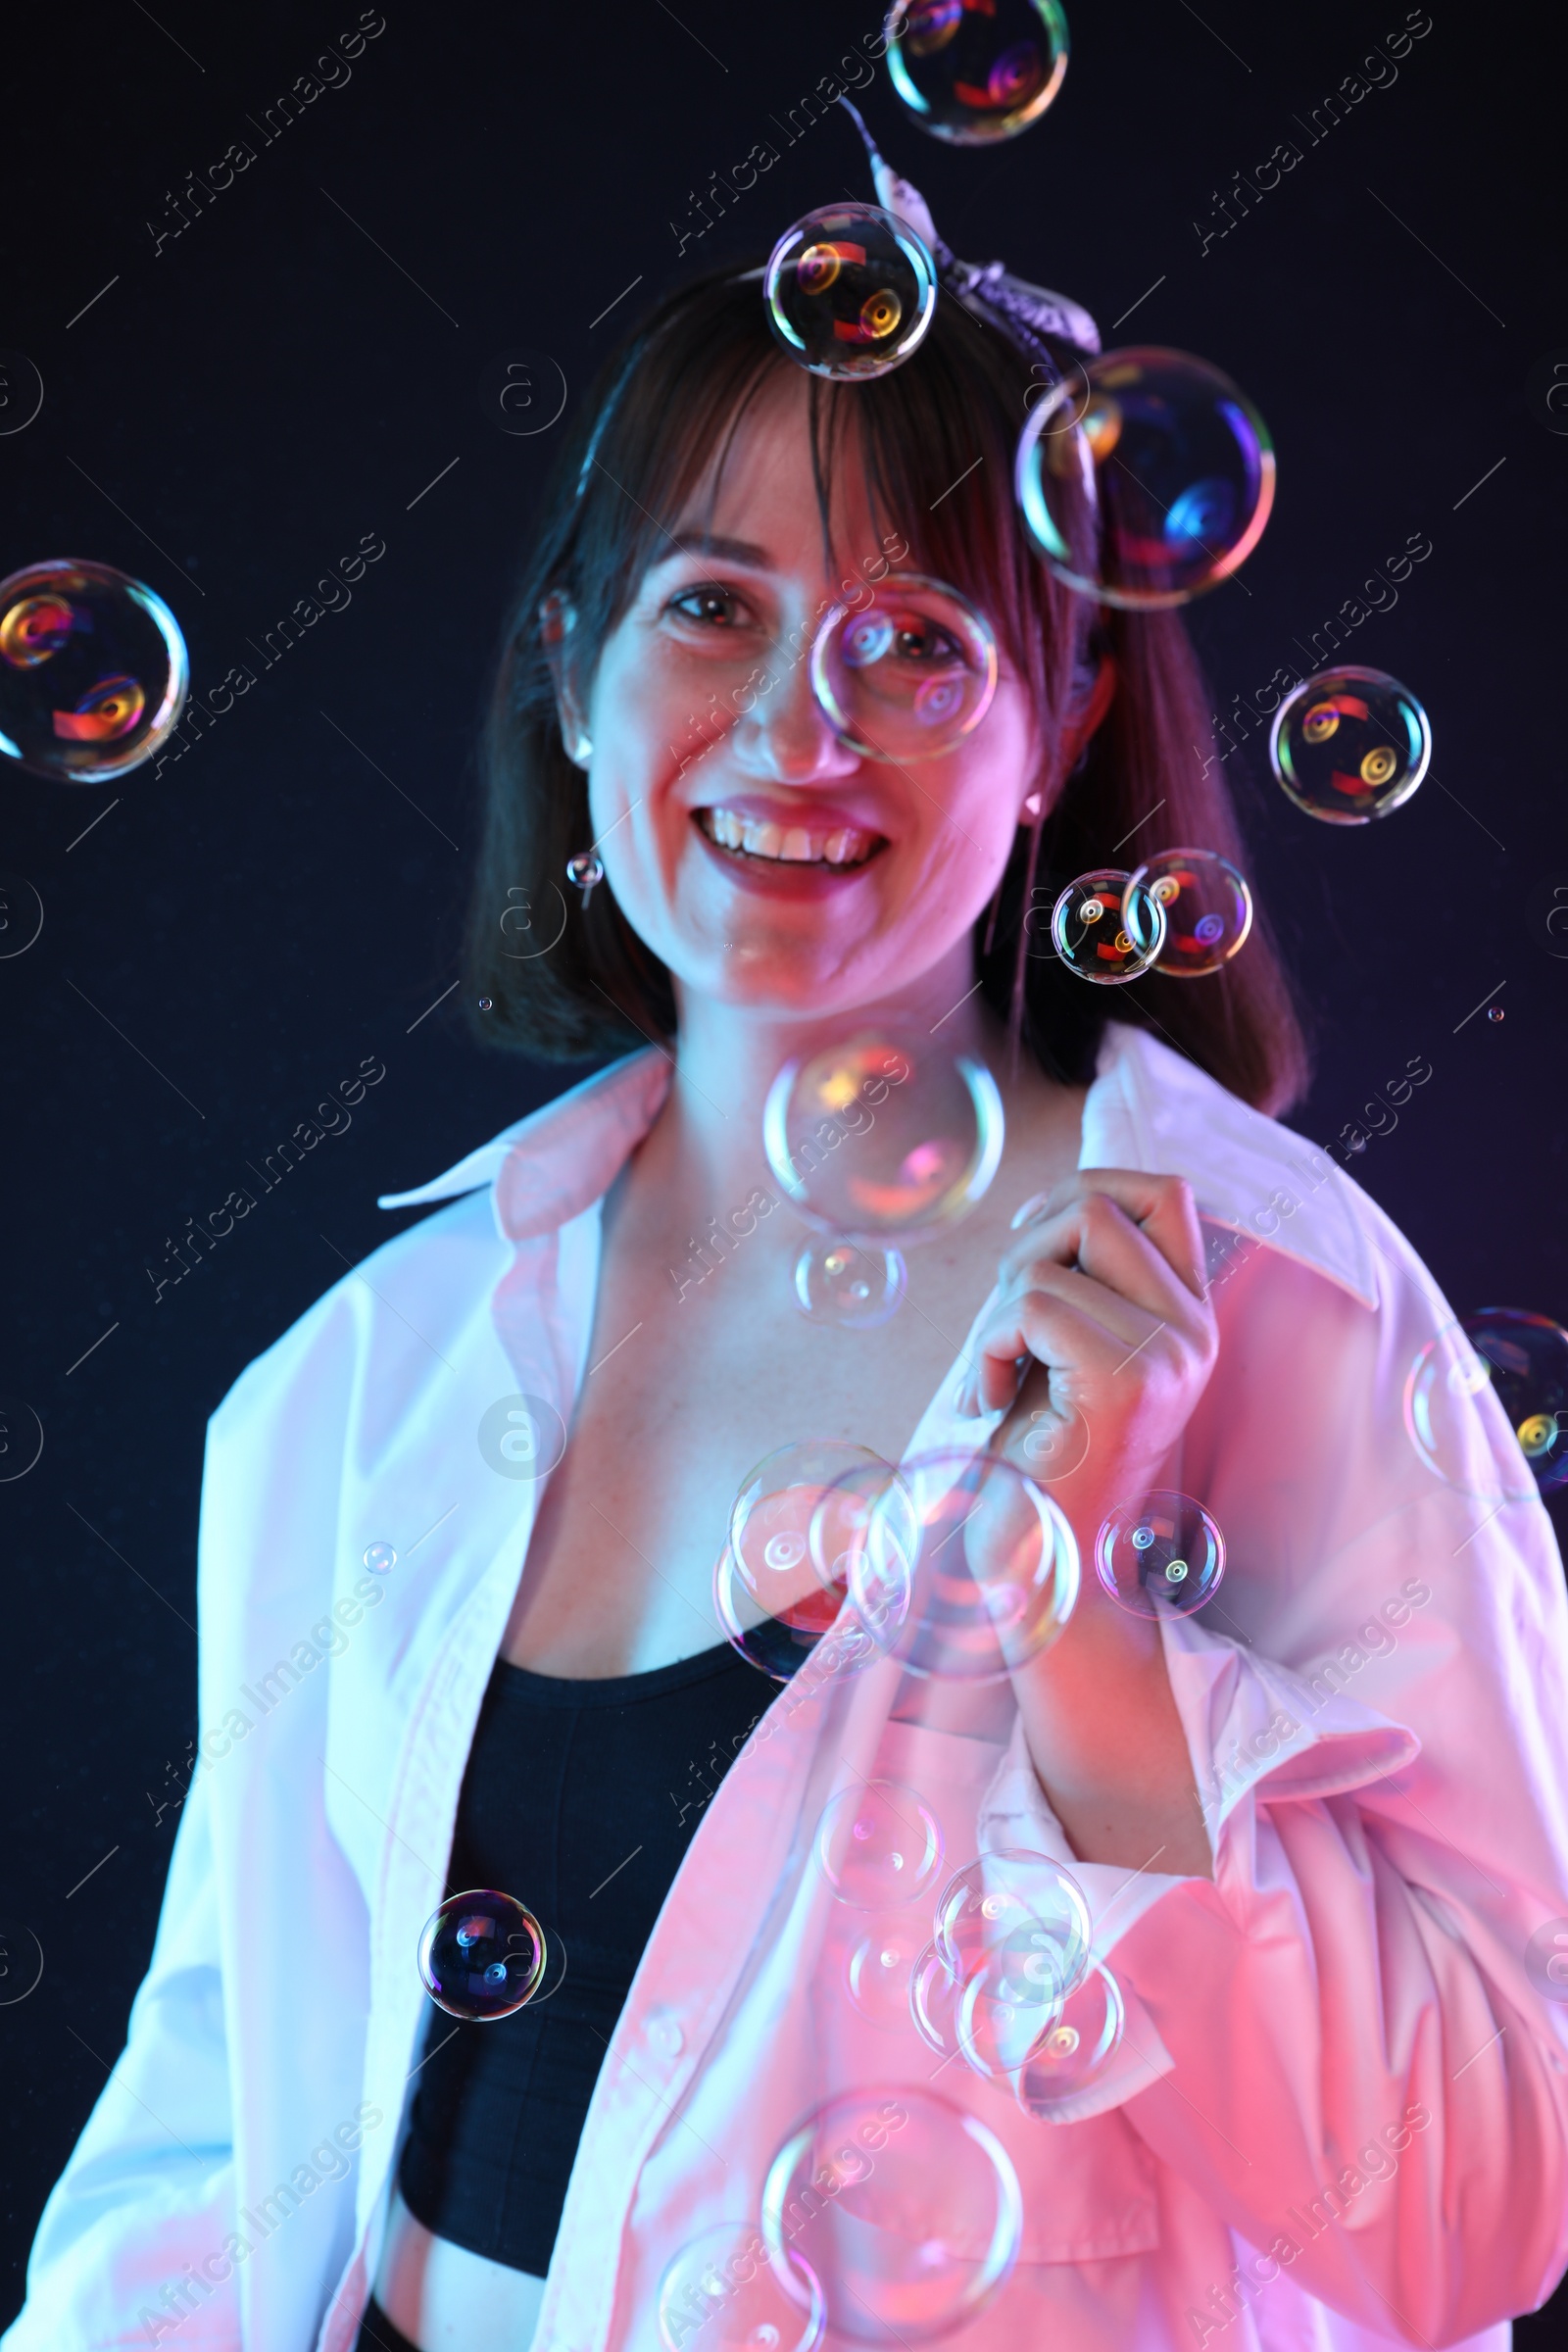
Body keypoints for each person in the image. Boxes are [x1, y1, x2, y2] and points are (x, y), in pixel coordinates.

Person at [8, 253, 1568, 2352]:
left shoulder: (1282, 1320)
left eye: (914, 639)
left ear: (1061, 722)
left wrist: (1083, 1632)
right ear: (573, 675)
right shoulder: (362, 1376)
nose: (792, 728)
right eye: (711, 606)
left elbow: (1471, 2207)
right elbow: (210, 2140)